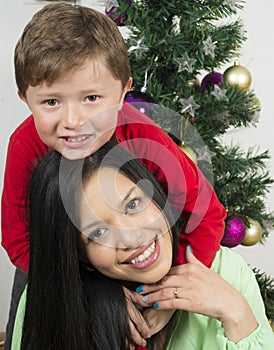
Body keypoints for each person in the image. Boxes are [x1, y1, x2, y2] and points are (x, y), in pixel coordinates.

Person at [1, 2, 226, 348]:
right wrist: (88, 288)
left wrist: (169, 293)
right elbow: (18, 240)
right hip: (55, 272)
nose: (74, 120)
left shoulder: (144, 136)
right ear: (25, 99)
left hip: (144, 270)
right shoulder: (24, 146)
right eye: (51, 102)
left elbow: (207, 215)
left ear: (123, 94)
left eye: (92, 98)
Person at [11, 143, 274, 349]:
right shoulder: (52, 295)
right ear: (80, 256)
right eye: (99, 232)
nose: (131, 237)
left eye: (133, 204)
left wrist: (237, 314)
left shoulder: (228, 272)